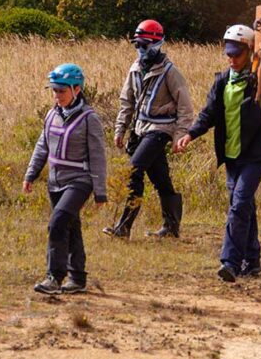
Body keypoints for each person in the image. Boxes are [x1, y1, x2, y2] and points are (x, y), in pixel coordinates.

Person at [176, 22, 261, 282]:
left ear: (249, 52)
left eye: (237, 54)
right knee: (243, 205)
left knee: (238, 204)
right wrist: (190, 134)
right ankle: (253, 260)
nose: (232, 59)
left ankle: (230, 263)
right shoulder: (223, 81)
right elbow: (209, 113)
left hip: (255, 155)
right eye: (228, 54)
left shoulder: (260, 79)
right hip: (231, 155)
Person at [105, 20, 194, 239]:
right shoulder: (134, 69)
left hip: (160, 129)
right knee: (160, 178)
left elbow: (185, 107)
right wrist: (120, 129)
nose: (140, 49)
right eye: (137, 44)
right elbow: (126, 101)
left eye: (144, 45)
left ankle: (123, 227)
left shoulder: (171, 72)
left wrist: (180, 136)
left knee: (134, 170)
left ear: (156, 44)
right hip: (139, 129)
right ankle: (171, 228)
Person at [23, 64, 107, 295]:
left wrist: (100, 191)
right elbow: (42, 147)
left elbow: (98, 156)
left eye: (62, 90)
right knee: (71, 227)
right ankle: (77, 278)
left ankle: (54, 277)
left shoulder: (90, 119)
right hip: (55, 182)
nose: (57, 95)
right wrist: (31, 174)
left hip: (80, 180)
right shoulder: (52, 115)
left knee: (58, 222)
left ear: (76, 89)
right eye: (54, 90)